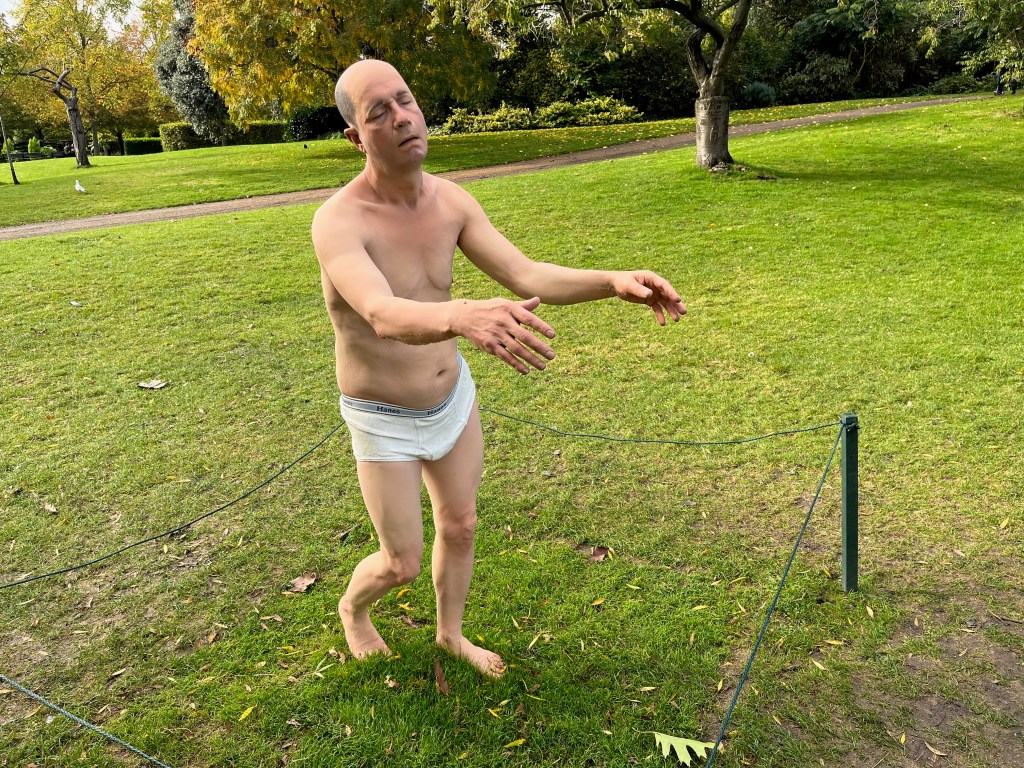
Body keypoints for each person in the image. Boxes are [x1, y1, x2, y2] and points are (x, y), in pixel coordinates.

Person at [312, 59, 687, 678]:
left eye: (405, 100)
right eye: (378, 112)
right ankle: (354, 610)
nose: (402, 117)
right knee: (401, 560)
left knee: (460, 524)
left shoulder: (451, 200)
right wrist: (461, 315)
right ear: (356, 136)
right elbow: (381, 312)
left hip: (450, 398)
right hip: (382, 414)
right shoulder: (338, 221)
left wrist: (613, 281)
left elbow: (524, 275)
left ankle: (449, 635)